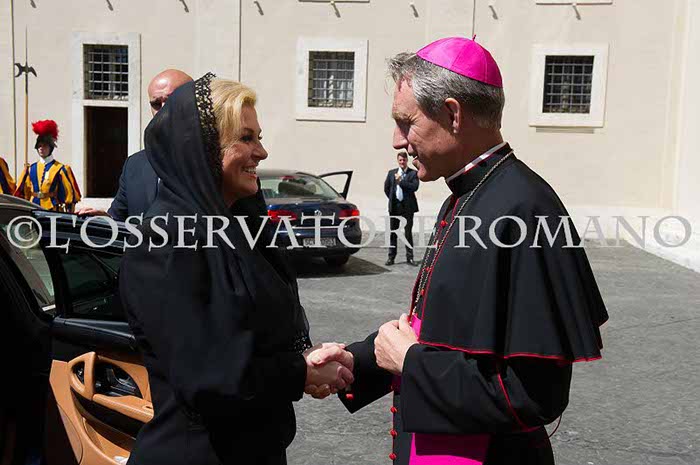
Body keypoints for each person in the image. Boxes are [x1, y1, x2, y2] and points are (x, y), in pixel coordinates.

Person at [313, 37, 609, 464]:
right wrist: (356, 362)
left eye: (406, 122)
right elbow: (440, 332)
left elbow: (533, 395)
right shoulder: (466, 195)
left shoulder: (524, 209)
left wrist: (411, 363)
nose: (397, 140)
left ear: (453, 114)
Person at [119, 74, 353, 465]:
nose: (261, 151)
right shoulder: (165, 242)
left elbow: (254, 337)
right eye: (246, 138)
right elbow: (209, 377)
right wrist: (300, 373)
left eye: (258, 137)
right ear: (203, 148)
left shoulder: (237, 231)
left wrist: (307, 359)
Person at [76, 69, 193, 220]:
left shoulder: (217, 161)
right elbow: (119, 218)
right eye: (156, 104)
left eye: (172, 101)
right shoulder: (135, 165)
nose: (163, 110)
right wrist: (104, 220)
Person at [14, 120, 81, 212]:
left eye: (44, 146)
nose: (41, 148)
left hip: (52, 208)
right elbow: (25, 191)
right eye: (39, 146)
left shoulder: (60, 168)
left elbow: (69, 194)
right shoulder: (31, 169)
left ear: (51, 148)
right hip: (33, 207)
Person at [384, 151, 419, 266]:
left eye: (404, 160)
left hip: (408, 207)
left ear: (407, 160)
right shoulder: (391, 173)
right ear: (398, 161)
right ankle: (391, 257)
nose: (402, 162)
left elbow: (414, 187)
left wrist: (401, 182)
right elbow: (386, 188)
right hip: (395, 207)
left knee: (408, 233)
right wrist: (393, 199)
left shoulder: (413, 173)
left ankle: (410, 257)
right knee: (393, 233)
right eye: (400, 160)